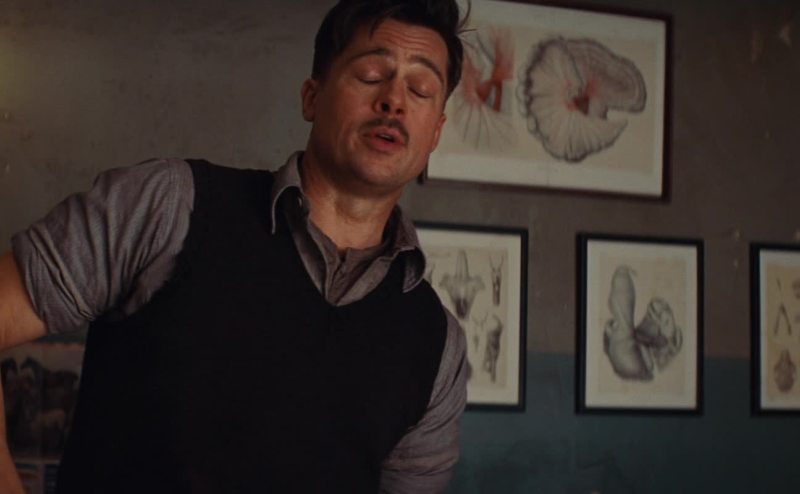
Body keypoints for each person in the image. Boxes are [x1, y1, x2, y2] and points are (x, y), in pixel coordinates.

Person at [0, 0, 469, 492]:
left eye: (420, 88)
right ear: (312, 97)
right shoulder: (167, 206)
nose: (394, 100)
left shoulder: (438, 344)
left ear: (435, 132)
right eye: (371, 75)